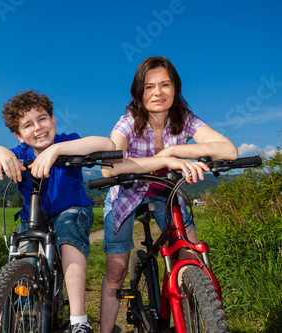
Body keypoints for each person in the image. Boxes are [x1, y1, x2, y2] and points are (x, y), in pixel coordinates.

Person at [98, 56, 238, 333]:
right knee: (116, 269)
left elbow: (228, 150)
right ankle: (104, 329)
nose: (158, 92)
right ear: (139, 92)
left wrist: (172, 152)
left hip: (167, 194)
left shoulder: (184, 120)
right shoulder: (128, 122)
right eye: (149, 87)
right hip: (126, 194)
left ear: (176, 88)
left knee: (190, 258)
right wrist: (163, 162)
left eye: (165, 85)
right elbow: (108, 169)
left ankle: (191, 318)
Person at [0, 90, 116, 333]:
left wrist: (56, 151)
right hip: (34, 220)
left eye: (42, 119)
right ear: (19, 135)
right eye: (28, 125)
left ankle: (79, 320)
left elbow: (107, 144)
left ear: (53, 121)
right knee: (23, 257)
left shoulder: (68, 143)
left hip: (72, 211)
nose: (38, 128)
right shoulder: (20, 154)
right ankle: (17, 317)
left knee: (67, 228)